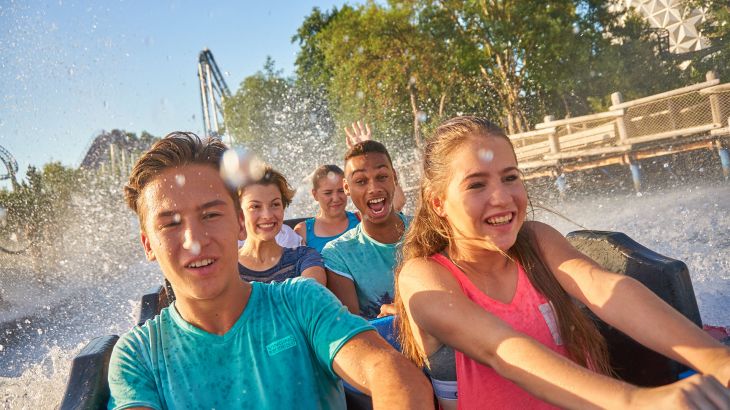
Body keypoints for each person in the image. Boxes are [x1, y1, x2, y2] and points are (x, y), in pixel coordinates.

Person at [394, 116, 730, 409]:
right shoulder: (423, 276)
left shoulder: (537, 241)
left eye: (510, 177)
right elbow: (501, 350)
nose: (502, 197)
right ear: (439, 202)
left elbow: (606, 288)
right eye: (476, 184)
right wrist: (636, 401)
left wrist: (716, 359)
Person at [108, 132, 433, 409]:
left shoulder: (301, 303)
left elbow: (390, 373)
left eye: (210, 215)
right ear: (148, 244)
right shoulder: (138, 356)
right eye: (170, 224)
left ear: (238, 224)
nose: (194, 242)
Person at [321, 139, 408, 320]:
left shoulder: (427, 231)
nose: (374, 188)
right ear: (347, 188)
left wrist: (411, 311)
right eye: (360, 181)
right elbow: (354, 328)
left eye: (382, 177)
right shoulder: (338, 254)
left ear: (395, 177)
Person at [238, 166, 325, 285]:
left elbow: (311, 298)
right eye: (255, 206)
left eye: (275, 204)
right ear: (239, 213)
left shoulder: (305, 257)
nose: (267, 215)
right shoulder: (224, 266)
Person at [294, 165, 360, 254]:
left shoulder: (361, 219)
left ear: (347, 189)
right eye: (328, 193)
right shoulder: (303, 231)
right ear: (315, 195)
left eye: (341, 191)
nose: (336, 198)